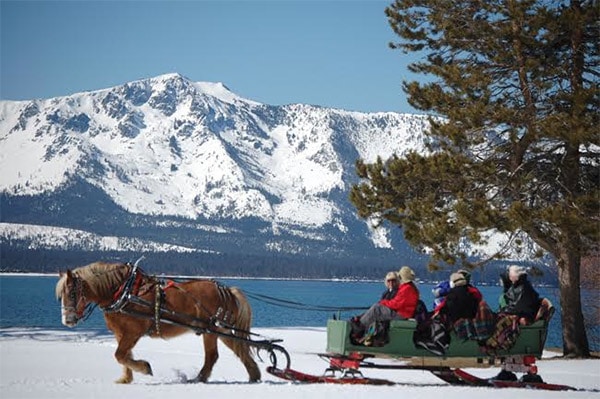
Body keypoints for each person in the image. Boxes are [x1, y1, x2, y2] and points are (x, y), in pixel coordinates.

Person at [351, 266, 420, 345]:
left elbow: (396, 304)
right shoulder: (410, 288)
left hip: (401, 314)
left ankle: (358, 329)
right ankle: (360, 327)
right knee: (374, 309)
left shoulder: (406, 288)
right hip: (403, 313)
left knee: (376, 308)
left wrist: (384, 302)